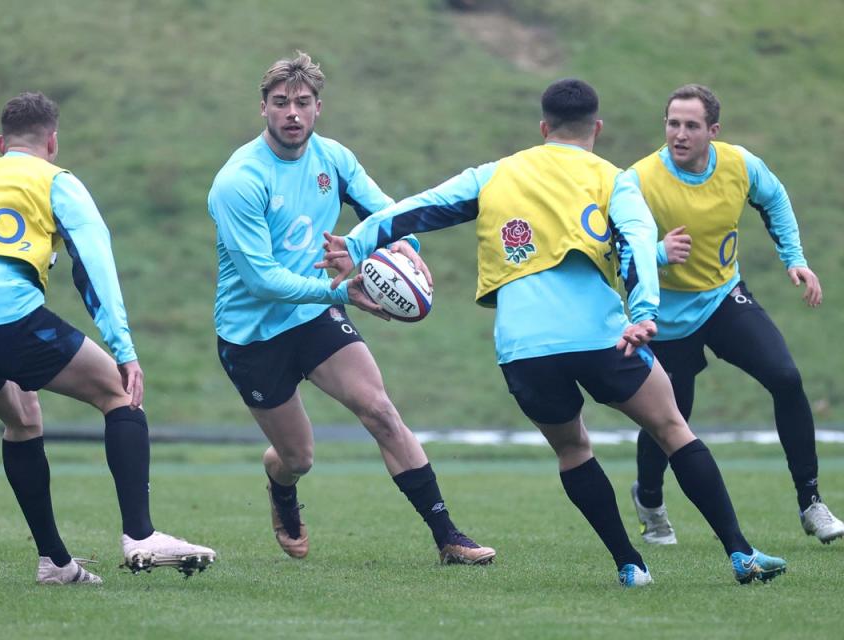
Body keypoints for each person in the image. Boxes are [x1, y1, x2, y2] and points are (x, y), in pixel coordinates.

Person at [319, 78, 786, 586]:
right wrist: (645, 311)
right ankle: (740, 554)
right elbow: (638, 237)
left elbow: (414, 208)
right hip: (601, 338)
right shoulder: (613, 179)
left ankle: (630, 564)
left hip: (523, 349)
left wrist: (357, 241)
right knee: (673, 429)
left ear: (543, 128)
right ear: (597, 128)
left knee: (573, 450)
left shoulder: (495, 174)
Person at [0, 92, 216, 584]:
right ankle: (141, 536)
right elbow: (94, 262)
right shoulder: (54, 180)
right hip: (4, 317)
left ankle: (55, 564)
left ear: (1, 144)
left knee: (22, 417)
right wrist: (124, 349)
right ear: (53, 142)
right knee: (118, 394)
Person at [206, 51, 494, 565]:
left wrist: (405, 247)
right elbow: (262, 279)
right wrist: (342, 293)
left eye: (302, 102)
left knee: (381, 411)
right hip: (251, 335)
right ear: (263, 109)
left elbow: (389, 216)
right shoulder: (239, 181)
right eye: (280, 103)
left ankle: (449, 537)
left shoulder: (334, 159)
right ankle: (281, 486)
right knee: (298, 457)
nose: (292, 113)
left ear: (318, 107)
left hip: (313, 318)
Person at [625, 84, 843, 546]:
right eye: (672, 123)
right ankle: (649, 499)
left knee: (785, 377)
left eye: (690, 126)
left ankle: (812, 503)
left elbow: (775, 200)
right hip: (665, 319)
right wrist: (659, 254)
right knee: (669, 417)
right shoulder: (639, 179)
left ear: (713, 131)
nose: (679, 134)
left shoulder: (739, 164)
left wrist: (795, 258)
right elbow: (613, 251)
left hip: (724, 298)